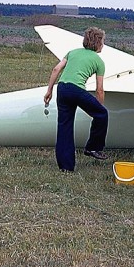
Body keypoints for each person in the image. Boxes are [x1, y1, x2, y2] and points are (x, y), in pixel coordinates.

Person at [43, 27, 109, 172]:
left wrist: (49, 90)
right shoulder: (99, 61)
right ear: (98, 43)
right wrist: (99, 108)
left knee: (64, 126)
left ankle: (66, 167)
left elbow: (56, 69)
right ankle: (93, 148)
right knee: (102, 114)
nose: (103, 44)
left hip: (62, 88)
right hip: (76, 90)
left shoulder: (72, 52)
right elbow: (99, 89)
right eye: (103, 41)